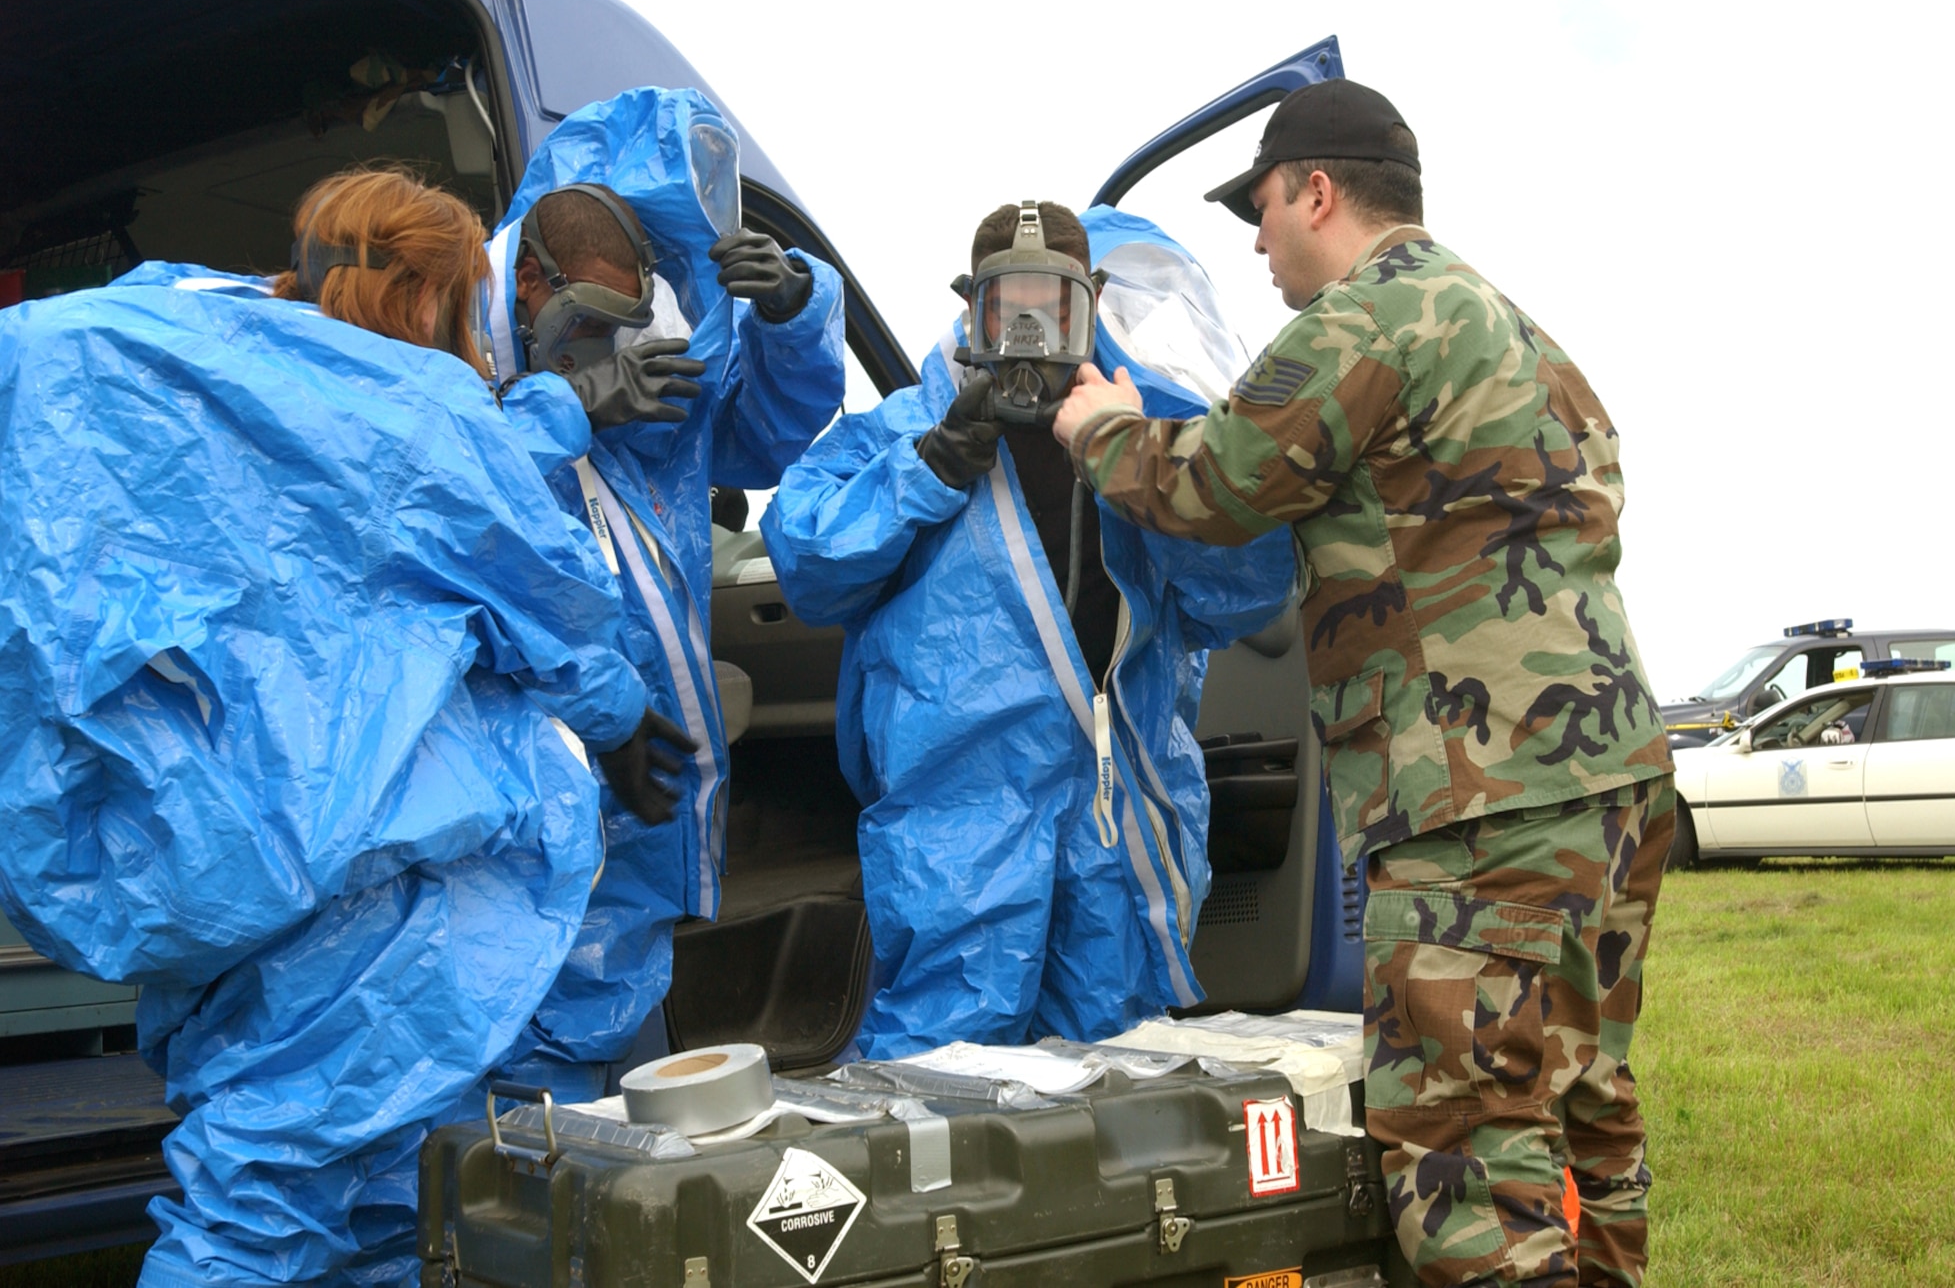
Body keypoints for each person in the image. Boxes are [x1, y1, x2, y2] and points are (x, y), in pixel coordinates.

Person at [0, 166, 676, 1287]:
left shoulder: (187, 345)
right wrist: (622, 719)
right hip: (377, 891)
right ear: (431, 297)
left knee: (376, 1202)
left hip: (220, 857)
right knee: (263, 1205)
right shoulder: (421, 402)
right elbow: (545, 604)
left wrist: (542, 414)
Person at [1053, 82, 1674, 1288]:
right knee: (1582, 1108)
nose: (1254, 237)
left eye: (1262, 206)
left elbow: (1217, 483)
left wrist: (1100, 430)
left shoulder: (1363, 321)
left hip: (1477, 796)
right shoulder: (1521, 334)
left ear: (1317, 193)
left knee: (1460, 1155)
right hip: (1610, 781)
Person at [763, 201, 1292, 1058]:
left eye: (1055, 306)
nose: (1031, 330)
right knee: (944, 1061)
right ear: (971, 308)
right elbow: (807, 558)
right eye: (1009, 307)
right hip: (959, 818)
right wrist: (927, 467)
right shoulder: (907, 430)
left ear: (1093, 304)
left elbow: (1244, 593)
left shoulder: (1143, 428)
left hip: (1116, 812)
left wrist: (1137, 457)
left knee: (1116, 1068)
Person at [471, 87, 846, 1104]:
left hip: (644, 803)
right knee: (522, 1096)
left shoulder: (651, 408)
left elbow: (768, 435)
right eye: (588, 321)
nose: (611, 346)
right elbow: (454, 526)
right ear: (525, 281)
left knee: (627, 1105)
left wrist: (790, 311)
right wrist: (558, 411)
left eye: (628, 316)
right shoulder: (456, 384)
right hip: (529, 813)